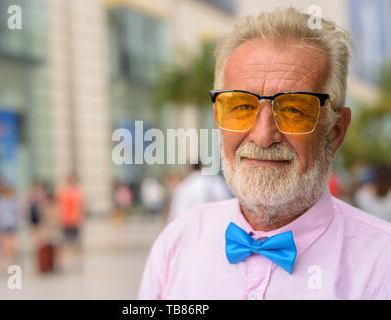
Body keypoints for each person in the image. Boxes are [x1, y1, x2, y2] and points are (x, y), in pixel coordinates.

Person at [138, 8, 391, 300]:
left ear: (335, 131)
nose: (262, 136)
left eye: (295, 109)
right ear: (219, 119)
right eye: (242, 107)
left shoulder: (382, 265)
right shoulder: (176, 243)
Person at [167, 163, 233, 223]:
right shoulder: (216, 181)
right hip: (217, 225)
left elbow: (177, 214)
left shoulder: (184, 186)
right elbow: (227, 204)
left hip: (191, 228)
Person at [57, 175, 85, 272]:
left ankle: (69, 263)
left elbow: (61, 208)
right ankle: (75, 263)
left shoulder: (64, 192)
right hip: (71, 220)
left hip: (68, 221)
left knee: (67, 243)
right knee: (72, 243)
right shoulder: (77, 192)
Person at [0, 183, 20, 271]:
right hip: (5, 225)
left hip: (10, 225)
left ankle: (10, 262)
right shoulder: (2, 202)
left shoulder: (11, 202)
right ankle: (7, 263)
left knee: (10, 245)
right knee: (5, 246)